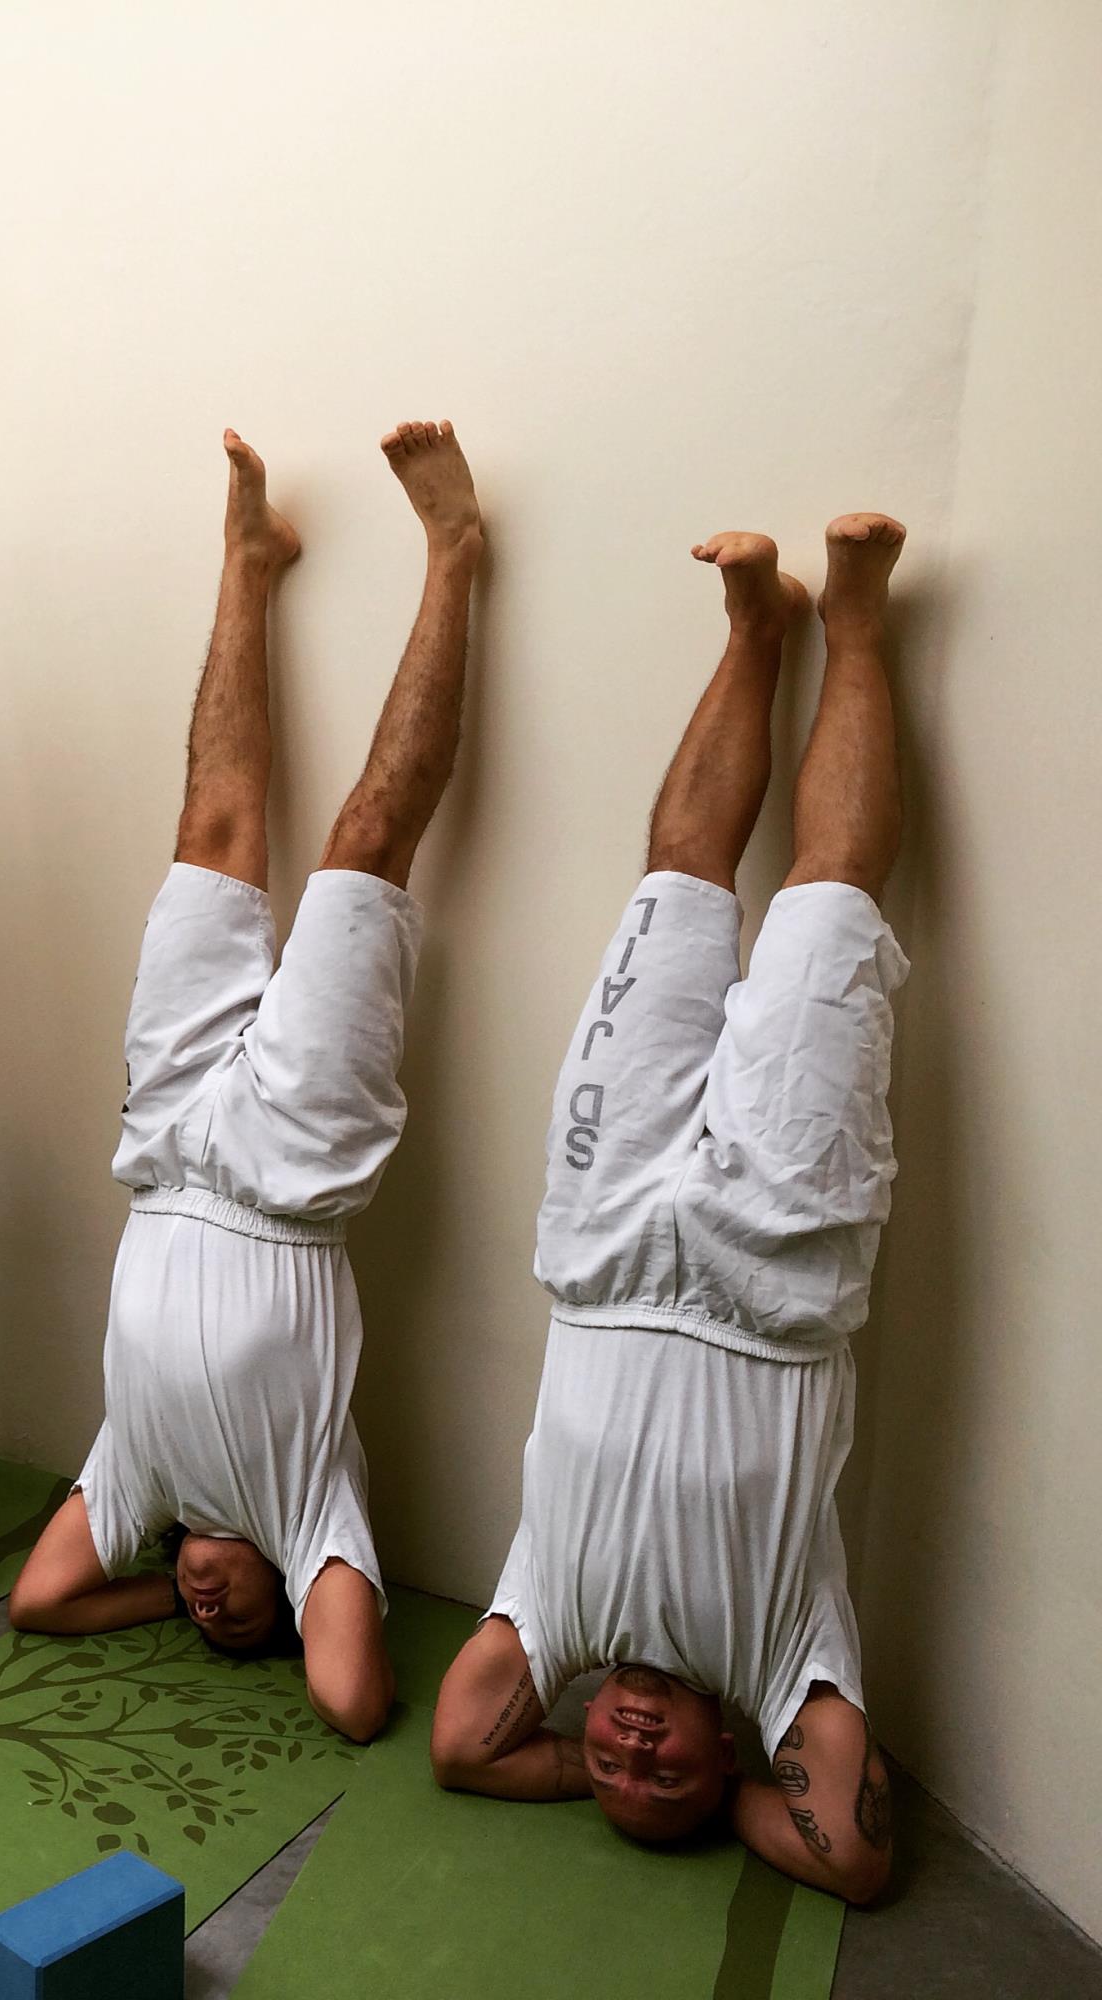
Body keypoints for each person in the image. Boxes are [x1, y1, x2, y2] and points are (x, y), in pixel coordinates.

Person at [429, 516, 908, 1904]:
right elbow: (859, 1860)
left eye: (616, 1771)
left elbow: (461, 1745)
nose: (632, 1753)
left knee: (677, 881)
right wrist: (732, 1799)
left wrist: (577, 1770)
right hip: (780, 1273)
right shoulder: (781, 1659)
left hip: (605, 1242)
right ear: (731, 1757)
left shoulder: (556, 1617)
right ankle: (860, 624)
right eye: (669, 1776)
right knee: (826, 911)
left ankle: (756, 630)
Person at [8, 421, 485, 1743]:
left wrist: (160, 1592)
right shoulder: (310, 1514)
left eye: (206, 1618)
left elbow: (41, 1601)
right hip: (289, 1173)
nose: (216, 1613)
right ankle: (454, 551)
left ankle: (248, 561)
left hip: (164, 1153)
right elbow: (348, 1698)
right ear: (289, 1593)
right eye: (241, 1621)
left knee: (213, 833)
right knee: (364, 844)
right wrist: (279, 1619)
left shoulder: (132, 1483)